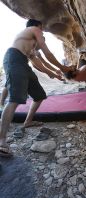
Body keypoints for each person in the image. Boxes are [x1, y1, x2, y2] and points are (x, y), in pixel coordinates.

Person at [0, 19, 74, 157]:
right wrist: (63, 68)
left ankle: (27, 121)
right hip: (14, 59)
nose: (43, 31)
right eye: (42, 29)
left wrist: (53, 74)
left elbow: (38, 63)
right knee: (15, 99)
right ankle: (1, 140)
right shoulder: (35, 29)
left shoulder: (29, 45)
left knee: (39, 95)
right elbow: (48, 53)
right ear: (39, 26)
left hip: (23, 63)